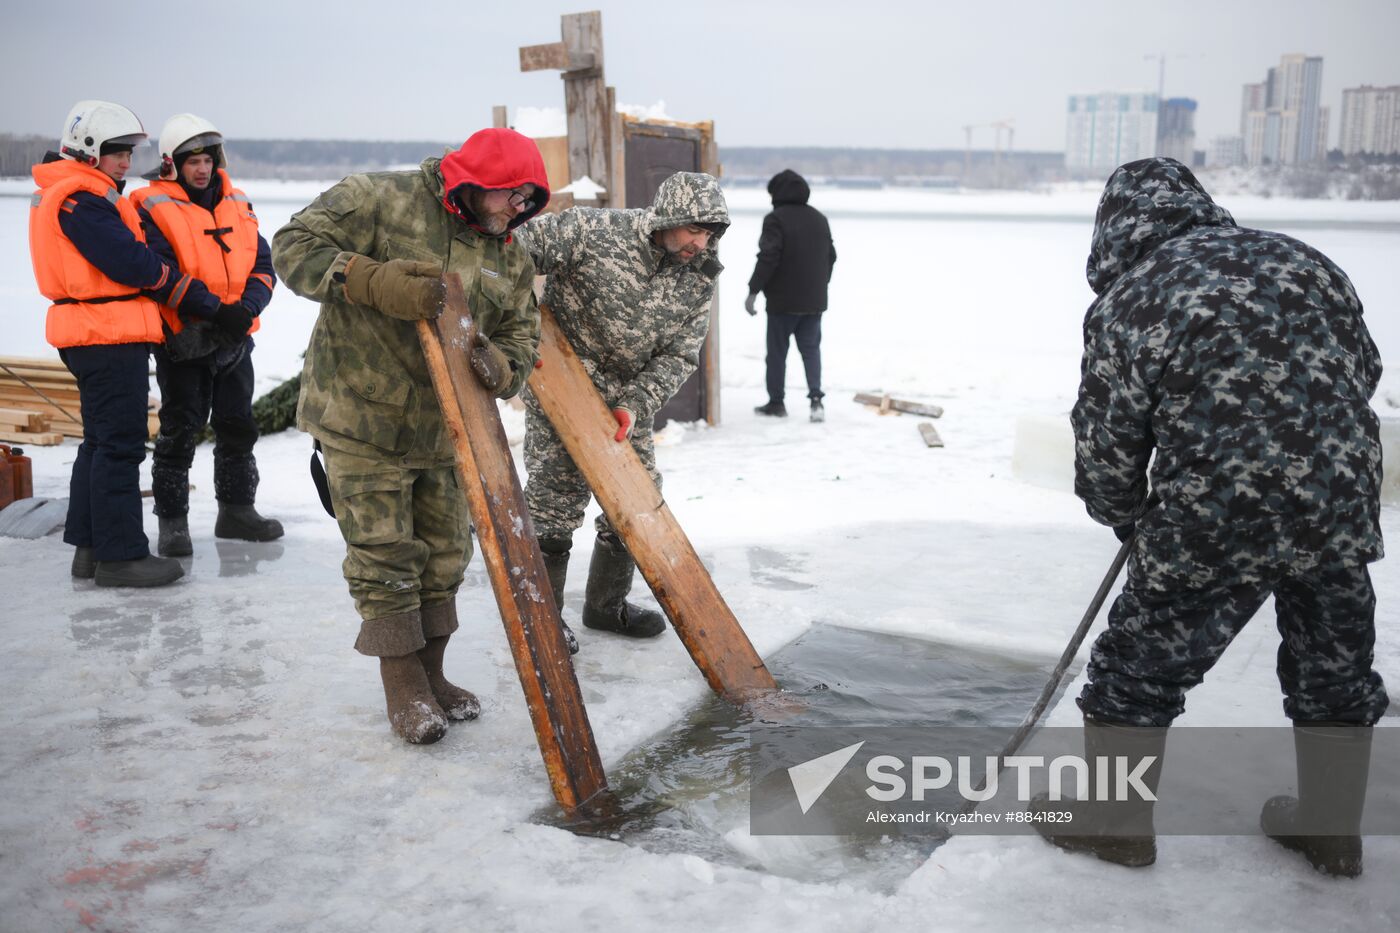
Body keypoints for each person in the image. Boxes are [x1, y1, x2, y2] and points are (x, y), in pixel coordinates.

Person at [1033, 158, 1388, 877]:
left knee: (1137, 668)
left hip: (1214, 512)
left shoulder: (1136, 296)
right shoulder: (1307, 264)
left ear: (1114, 230)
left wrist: (1127, 515)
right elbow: (1366, 369)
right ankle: (1331, 828)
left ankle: (1116, 823)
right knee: (1334, 667)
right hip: (1339, 501)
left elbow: (1107, 441)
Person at [271, 129, 548, 745]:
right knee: (384, 554)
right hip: (360, 415)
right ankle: (403, 686)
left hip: (446, 428)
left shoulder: (510, 255)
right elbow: (291, 247)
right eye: (508, 195)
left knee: (446, 554)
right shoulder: (379, 198)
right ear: (471, 183)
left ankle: (432, 673)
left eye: (528, 199)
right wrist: (371, 281)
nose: (516, 210)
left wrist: (503, 366)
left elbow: (523, 335)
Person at [518, 172, 729, 653]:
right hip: (562, 389)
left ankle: (605, 607)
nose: (702, 242)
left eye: (711, 233)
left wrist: (635, 404)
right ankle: (543, 623)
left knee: (635, 505)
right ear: (669, 217)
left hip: (623, 406)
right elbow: (510, 254)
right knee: (553, 504)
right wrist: (518, 325)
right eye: (695, 230)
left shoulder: (698, 276)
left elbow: (680, 355)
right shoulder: (592, 230)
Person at [29, 100, 223, 588]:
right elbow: (128, 261)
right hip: (105, 333)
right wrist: (176, 285)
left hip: (98, 331)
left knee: (98, 444)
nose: (125, 161)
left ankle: (90, 549)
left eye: (129, 151)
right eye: (116, 151)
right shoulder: (82, 198)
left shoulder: (80, 192)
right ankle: (121, 556)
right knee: (119, 446)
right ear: (90, 151)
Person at [131, 113, 282, 557]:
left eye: (207, 159)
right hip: (184, 339)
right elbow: (159, 273)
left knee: (238, 426)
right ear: (171, 164)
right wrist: (215, 311)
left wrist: (247, 310)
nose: (201, 169)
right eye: (191, 160)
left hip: (235, 338)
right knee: (180, 429)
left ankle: (236, 510)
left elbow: (263, 266)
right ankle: (172, 524)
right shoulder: (150, 205)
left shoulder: (239, 202)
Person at [744, 169, 835, 422]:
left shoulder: (775, 219)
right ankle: (816, 400)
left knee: (777, 355)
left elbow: (768, 257)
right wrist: (820, 284)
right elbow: (831, 257)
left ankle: (776, 403)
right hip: (814, 302)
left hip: (782, 303)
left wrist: (753, 290)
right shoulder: (820, 219)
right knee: (811, 351)